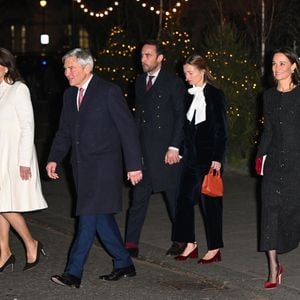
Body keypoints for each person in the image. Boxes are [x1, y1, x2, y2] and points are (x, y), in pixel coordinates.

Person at [46, 48, 143, 288]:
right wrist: (53, 158)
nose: (67, 73)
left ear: (87, 68)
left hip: (104, 168)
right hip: (80, 168)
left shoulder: (108, 91)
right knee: (100, 219)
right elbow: (64, 132)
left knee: (87, 219)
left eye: (72, 68)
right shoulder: (69, 96)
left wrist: (134, 165)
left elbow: (127, 130)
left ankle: (73, 273)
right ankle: (124, 263)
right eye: (66, 69)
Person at [124, 40, 186, 257]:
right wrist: (132, 149)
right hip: (144, 152)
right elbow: (138, 117)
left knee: (173, 199)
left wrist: (174, 147)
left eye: (148, 55)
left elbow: (180, 116)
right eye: (142, 55)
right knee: (138, 198)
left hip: (167, 152)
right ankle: (131, 244)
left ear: (160, 58)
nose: (143, 59)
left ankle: (182, 240)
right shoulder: (139, 82)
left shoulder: (173, 82)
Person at [172, 54, 227, 264]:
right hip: (190, 157)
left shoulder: (215, 95)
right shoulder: (187, 95)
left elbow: (221, 130)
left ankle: (214, 247)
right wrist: (179, 149)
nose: (186, 77)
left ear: (202, 71)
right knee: (183, 200)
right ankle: (189, 243)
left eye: (190, 73)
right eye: (185, 73)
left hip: (209, 158)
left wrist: (217, 157)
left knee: (210, 203)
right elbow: (184, 127)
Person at [255, 47, 300, 289]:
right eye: (274, 63)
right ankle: (273, 268)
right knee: (269, 212)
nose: (276, 68)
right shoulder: (268, 96)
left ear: (293, 66)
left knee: (292, 212)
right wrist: (260, 156)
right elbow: (269, 130)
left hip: (297, 163)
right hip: (273, 162)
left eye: (282, 63)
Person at [0, 48, 47, 272]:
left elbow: (28, 127)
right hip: (0, 157)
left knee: (4, 204)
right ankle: (5, 251)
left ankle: (31, 243)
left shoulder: (18, 89)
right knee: (2, 204)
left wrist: (24, 161)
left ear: (5, 67)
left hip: (14, 156)